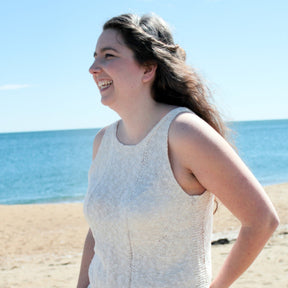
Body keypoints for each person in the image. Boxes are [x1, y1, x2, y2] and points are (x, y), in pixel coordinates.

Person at [77, 13, 279, 288]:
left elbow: (262, 220)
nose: (93, 67)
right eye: (95, 56)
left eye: (108, 55)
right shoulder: (103, 142)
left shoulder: (184, 133)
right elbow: (99, 231)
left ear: (148, 69)